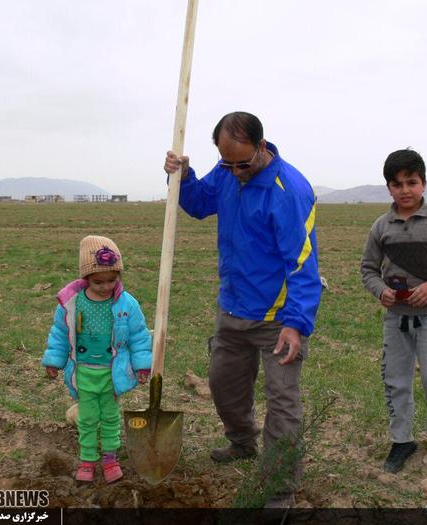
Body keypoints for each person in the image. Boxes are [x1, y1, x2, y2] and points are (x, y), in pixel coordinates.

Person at [163, 111, 321, 508]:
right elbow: (199, 204)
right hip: (233, 309)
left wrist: (296, 324)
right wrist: (182, 175)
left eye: (243, 163)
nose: (235, 172)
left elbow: (303, 263)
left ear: (262, 147)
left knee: (282, 402)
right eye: (227, 162)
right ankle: (242, 442)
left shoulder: (289, 190)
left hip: (278, 319)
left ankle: (279, 491)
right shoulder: (227, 173)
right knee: (222, 384)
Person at [361, 149, 427, 473]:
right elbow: (368, 269)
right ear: (389, 188)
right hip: (396, 318)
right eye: (397, 184)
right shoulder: (382, 226)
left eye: (412, 182)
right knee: (396, 381)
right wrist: (381, 291)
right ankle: (402, 440)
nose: (405, 190)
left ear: (423, 183)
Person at [41, 235, 152, 483]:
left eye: (112, 280)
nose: (105, 286)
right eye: (98, 281)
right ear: (86, 278)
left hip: (112, 373)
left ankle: (110, 458)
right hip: (83, 373)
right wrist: (53, 361)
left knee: (111, 417)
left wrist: (143, 366)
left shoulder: (127, 304)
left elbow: (139, 336)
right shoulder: (71, 304)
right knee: (88, 418)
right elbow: (60, 334)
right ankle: (88, 459)